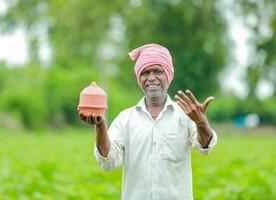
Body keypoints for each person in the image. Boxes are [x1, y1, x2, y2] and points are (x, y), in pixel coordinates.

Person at [79, 43, 217, 200]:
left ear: (168, 75)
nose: (151, 78)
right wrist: (100, 125)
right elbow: (109, 160)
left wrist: (201, 122)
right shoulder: (126, 119)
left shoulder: (184, 116)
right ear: (139, 79)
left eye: (158, 71)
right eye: (145, 73)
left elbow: (205, 146)